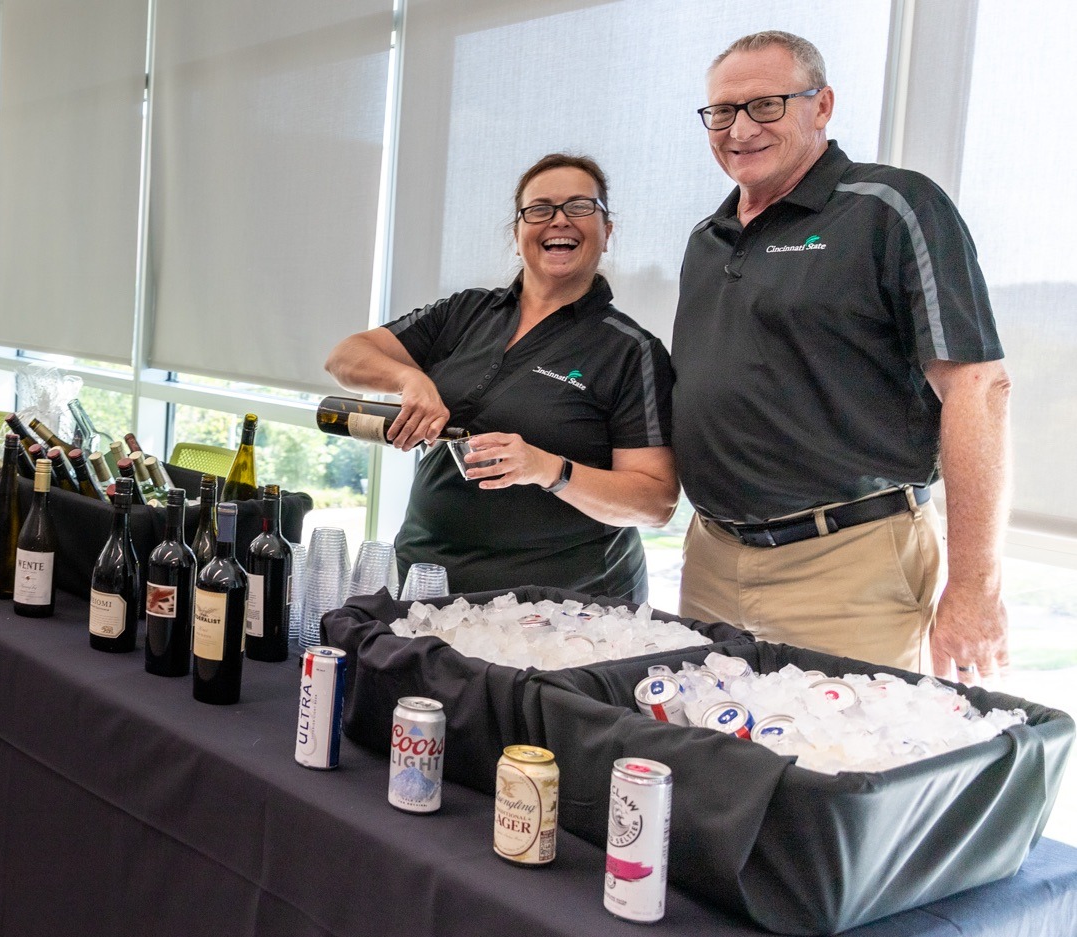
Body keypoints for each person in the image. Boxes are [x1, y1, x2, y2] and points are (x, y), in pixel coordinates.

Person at [672, 31, 1009, 682]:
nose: (739, 128)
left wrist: (975, 586)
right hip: (711, 559)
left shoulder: (892, 209)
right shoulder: (706, 240)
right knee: (709, 764)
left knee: (840, 771)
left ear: (821, 106)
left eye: (766, 105)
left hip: (847, 564)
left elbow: (980, 388)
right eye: (722, 111)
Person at [325, 154, 678, 600]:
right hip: (426, 581)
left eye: (580, 207)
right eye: (540, 209)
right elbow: (345, 357)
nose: (559, 221)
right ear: (517, 235)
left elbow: (655, 502)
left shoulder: (631, 350)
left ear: (607, 232)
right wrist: (409, 381)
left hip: (558, 607)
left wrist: (549, 470)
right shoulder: (467, 311)